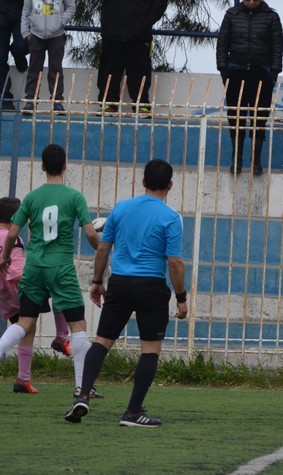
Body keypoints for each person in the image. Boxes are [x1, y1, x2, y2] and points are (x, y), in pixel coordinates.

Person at [64, 158, 188, 427]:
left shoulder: (121, 208)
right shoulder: (171, 217)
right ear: (170, 185)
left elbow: (102, 248)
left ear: (143, 181)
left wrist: (97, 281)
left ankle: (82, 396)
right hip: (151, 287)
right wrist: (181, 298)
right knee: (150, 349)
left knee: (102, 342)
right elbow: (175, 262)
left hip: (120, 283)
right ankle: (132, 412)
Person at [0, 144, 100, 400]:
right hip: (61, 267)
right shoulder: (74, 197)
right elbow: (90, 233)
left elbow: (12, 233)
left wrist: (6, 257)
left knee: (25, 322)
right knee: (78, 324)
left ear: (42, 167)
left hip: (34, 267)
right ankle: (81, 387)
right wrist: (102, 250)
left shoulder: (32, 198)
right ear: (65, 166)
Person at [0, 196, 73, 394]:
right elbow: (17, 274)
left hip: (1, 293)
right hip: (19, 290)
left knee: (26, 329)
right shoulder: (13, 239)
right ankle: (62, 338)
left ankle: (23, 379)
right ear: (17, 216)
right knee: (59, 286)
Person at [88, 0, 168, 116]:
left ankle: (141, 105)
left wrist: (146, 22)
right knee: (109, 69)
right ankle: (108, 104)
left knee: (140, 70)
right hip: (112, 31)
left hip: (139, 34)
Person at [215, 0, 283, 175]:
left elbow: (277, 46)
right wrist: (223, 70)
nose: (251, 1)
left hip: (261, 72)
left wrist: (273, 73)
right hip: (235, 70)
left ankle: (256, 160)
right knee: (235, 116)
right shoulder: (231, 14)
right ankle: (236, 159)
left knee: (259, 117)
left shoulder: (271, 17)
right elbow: (222, 43)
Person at [20, 0, 75, 115]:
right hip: (36, 34)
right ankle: (31, 101)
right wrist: (25, 32)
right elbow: (26, 10)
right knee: (34, 68)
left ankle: (57, 102)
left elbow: (71, 7)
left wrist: (60, 22)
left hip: (56, 35)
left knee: (55, 68)